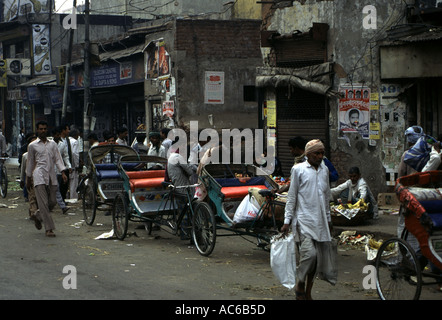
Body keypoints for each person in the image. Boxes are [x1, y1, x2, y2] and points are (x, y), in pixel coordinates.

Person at [281, 139, 333, 300]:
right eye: (317, 153)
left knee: (317, 261)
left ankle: (307, 292)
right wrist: (287, 221)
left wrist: (329, 219)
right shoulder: (298, 170)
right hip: (303, 221)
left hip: (321, 222)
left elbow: (325, 197)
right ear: (308, 154)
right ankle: (300, 282)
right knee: (309, 255)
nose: (320, 156)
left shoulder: (324, 170)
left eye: (322, 153)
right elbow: (292, 196)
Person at [26, 121, 68, 237]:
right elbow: (30, 163)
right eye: (41, 129)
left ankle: (37, 215)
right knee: (43, 203)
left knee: (53, 201)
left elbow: (58, 159)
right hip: (39, 176)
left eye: (45, 128)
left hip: (51, 175)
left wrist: (63, 172)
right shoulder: (32, 146)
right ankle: (49, 229)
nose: (43, 131)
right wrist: (28, 178)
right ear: (37, 130)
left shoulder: (53, 144)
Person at [52, 128, 72, 214]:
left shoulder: (62, 145)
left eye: (58, 135)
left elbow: (64, 157)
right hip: (48, 169)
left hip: (58, 169)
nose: (58, 136)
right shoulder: (49, 144)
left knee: (56, 188)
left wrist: (68, 166)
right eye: (56, 135)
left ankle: (62, 206)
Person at [20, 133, 37, 215]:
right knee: (32, 196)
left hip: (39, 178)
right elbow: (23, 169)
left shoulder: (40, 155)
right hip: (30, 178)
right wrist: (22, 180)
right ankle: (33, 212)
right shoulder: (25, 156)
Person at [68, 128, 80, 201]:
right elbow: (75, 154)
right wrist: (77, 165)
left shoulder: (66, 140)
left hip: (67, 164)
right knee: (73, 183)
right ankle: (73, 198)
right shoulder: (75, 142)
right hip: (73, 165)